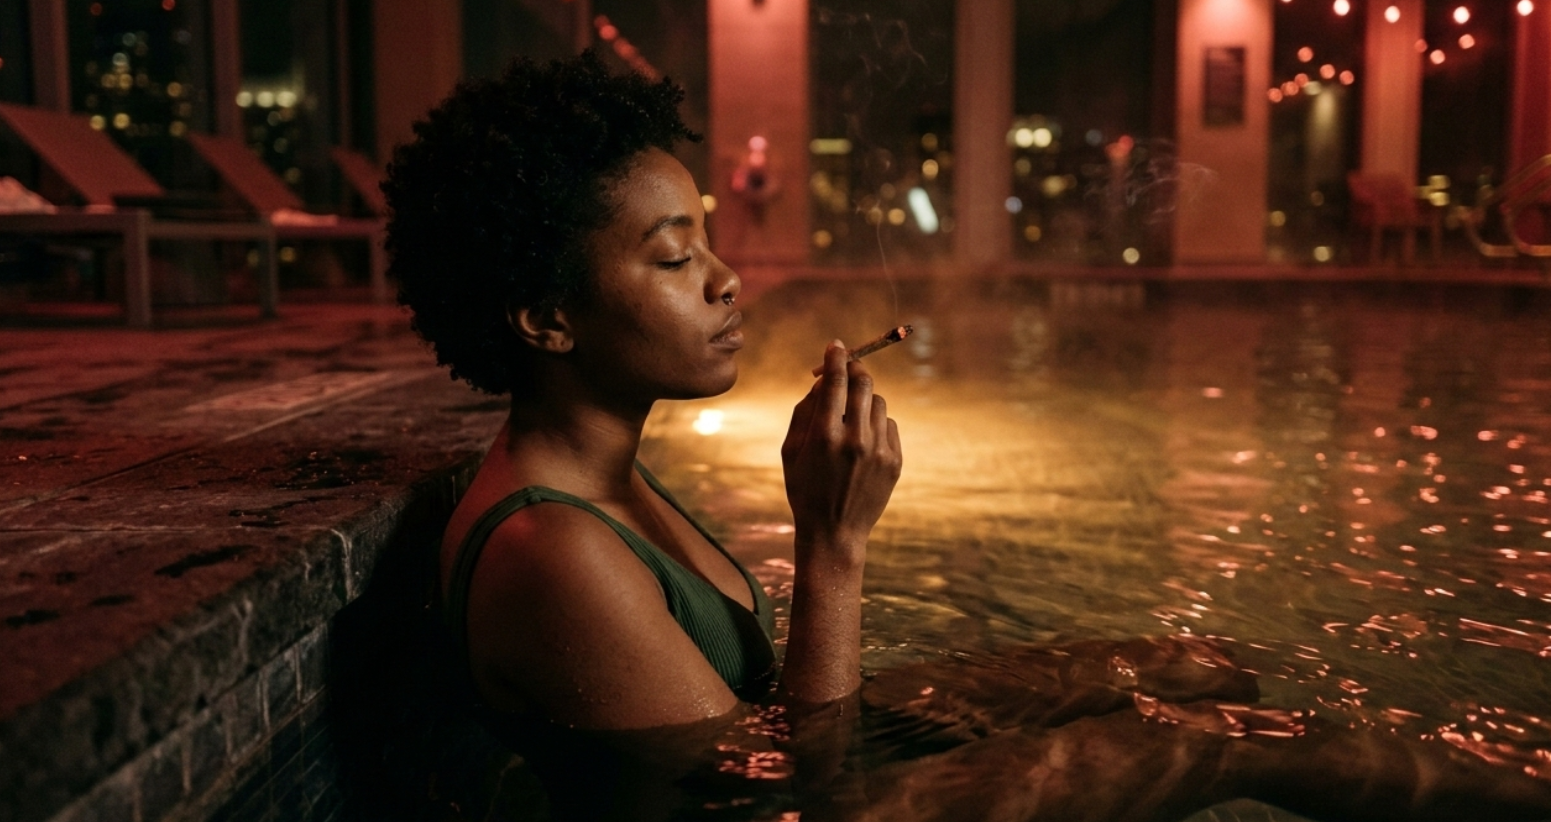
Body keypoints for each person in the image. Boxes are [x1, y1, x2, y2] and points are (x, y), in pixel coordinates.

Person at [380, 53, 1551, 822]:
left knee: (1183, 666)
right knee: (1230, 741)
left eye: (710, 242)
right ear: (544, 318)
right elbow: (796, 793)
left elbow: (764, 734)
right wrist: (834, 544)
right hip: (794, 805)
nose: (728, 280)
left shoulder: (607, 472)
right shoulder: (554, 550)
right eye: (676, 258)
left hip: (782, 762)